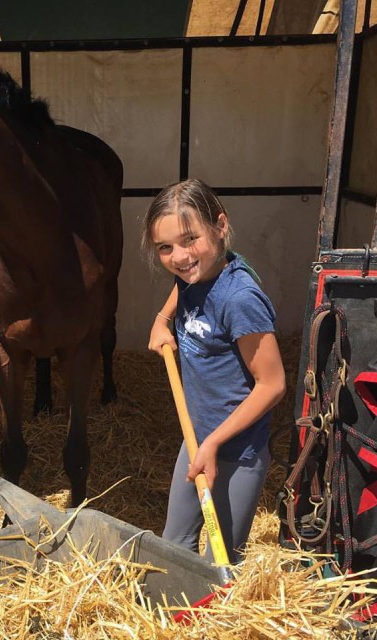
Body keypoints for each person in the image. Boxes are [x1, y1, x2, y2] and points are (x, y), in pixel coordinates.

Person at [142, 178, 286, 563]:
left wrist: (214, 443)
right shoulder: (194, 273)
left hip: (236, 454)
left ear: (220, 227)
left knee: (217, 563)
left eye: (190, 240)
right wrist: (162, 319)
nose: (180, 256)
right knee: (174, 547)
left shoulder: (239, 299)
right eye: (165, 248)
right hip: (196, 440)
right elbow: (183, 283)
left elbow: (272, 385)